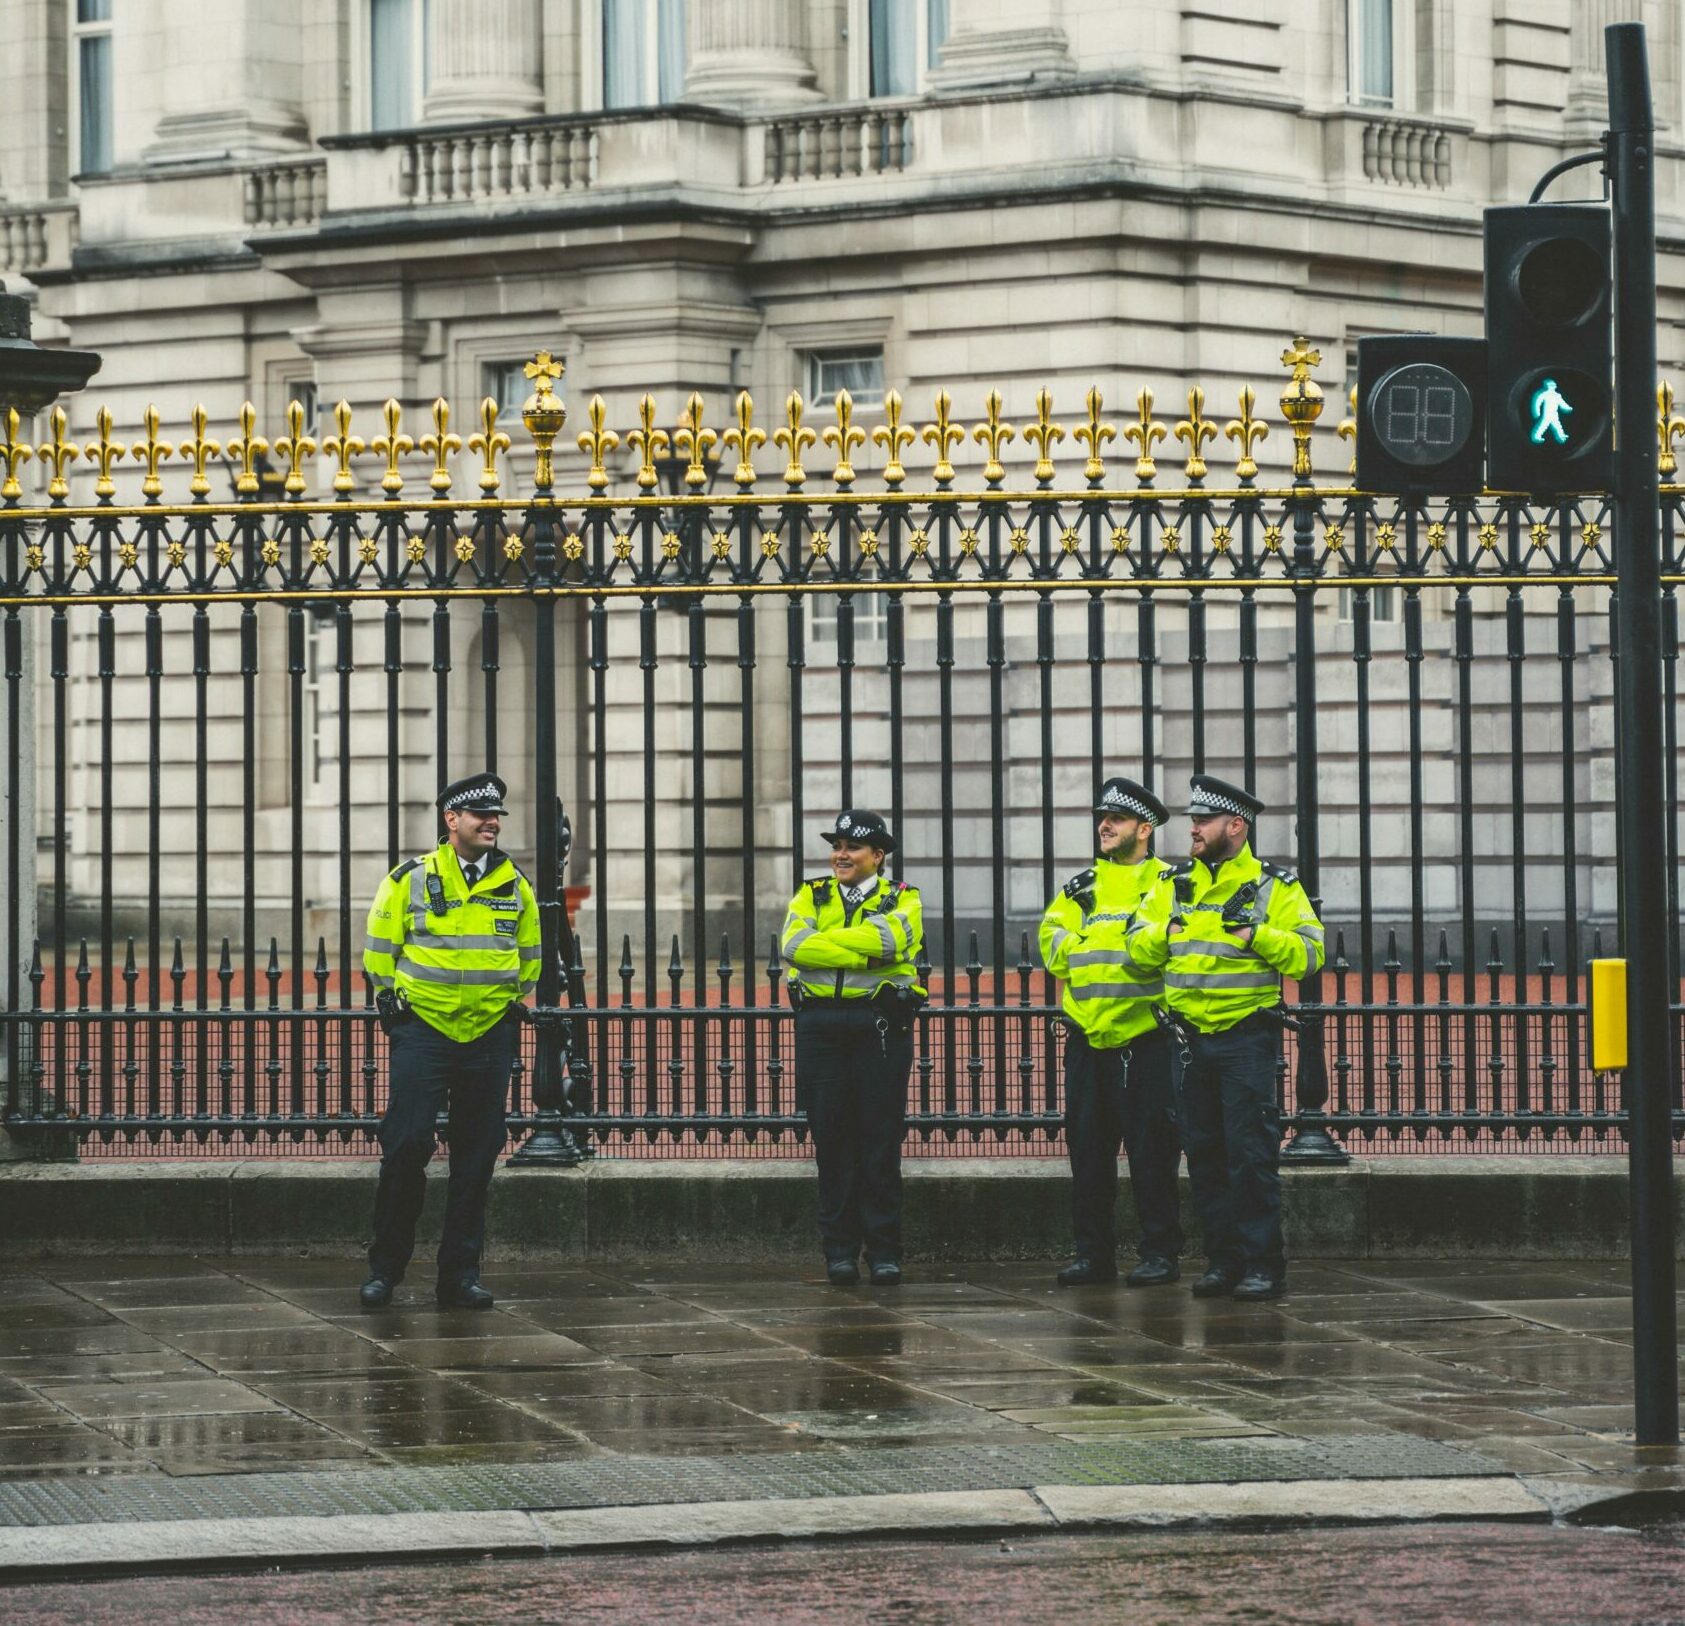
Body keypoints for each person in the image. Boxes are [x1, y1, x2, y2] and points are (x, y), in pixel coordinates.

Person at [1123, 776, 1324, 1301]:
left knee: (1250, 1156)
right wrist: (1163, 933)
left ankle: (1262, 1264)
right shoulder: (1173, 885)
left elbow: (1309, 956)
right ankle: (1222, 1262)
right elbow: (1136, 950)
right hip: (1187, 1042)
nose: (1192, 828)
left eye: (1202, 820)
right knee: (1205, 1154)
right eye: (1192, 820)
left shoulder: (1272, 887)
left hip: (1244, 1040)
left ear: (1235, 825)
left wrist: (1256, 933)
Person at [358, 772, 540, 1310]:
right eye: (481, 815)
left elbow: (529, 959)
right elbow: (378, 949)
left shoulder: (514, 882)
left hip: (488, 1033)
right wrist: (397, 1006)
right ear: (451, 820)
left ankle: (459, 1276)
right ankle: (385, 1270)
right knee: (407, 1145)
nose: (492, 823)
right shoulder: (410, 878)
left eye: (497, 816)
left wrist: (503, 1004)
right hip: (425, 1032)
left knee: (476, 1157)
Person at [1040, 776, 1183, 1288]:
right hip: (1087, 1039)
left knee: (1153, 1156)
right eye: (1103, 817)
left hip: (1145, 1040)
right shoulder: (1081, 886)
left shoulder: (1169, 884)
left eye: (1116, 819)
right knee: (1088, 1158)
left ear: (1144, 829)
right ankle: (1092, 1256)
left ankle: (1160, 1254)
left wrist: (1087, 944)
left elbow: (1157, 953)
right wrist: (1100, 948)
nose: (1104, 825)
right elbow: (1051, 947)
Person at [780, 810, 925, 1286]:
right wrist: (864, 949)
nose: (840, 855)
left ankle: (885, 1251)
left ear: (878, 855)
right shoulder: (812, 893)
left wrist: (828, 944)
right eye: (837, 845)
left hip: (879, 1026)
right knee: (832, 1141)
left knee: (880, 1141)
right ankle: (839, 1252)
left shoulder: (904, 898)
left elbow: (895, 939)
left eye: (852, 847)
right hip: (820, 1027)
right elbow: (794, 946)